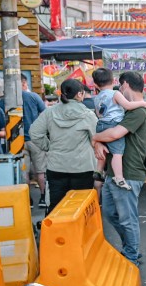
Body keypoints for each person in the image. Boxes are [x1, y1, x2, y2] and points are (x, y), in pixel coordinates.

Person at [92, 71, 146, 265]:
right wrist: (99, 142)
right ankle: (130, 247)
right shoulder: (123, 109)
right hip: (114, 173)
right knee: (110, 213)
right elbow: (106, 132)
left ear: (125, 85)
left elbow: (114, 134)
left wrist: (95, 138)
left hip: (129, 172)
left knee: (127, 218)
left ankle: (131, 254)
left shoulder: (138, 112)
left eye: (120, 86)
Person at [29, 79, 97, 213]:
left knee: (56, 206)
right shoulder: (88, 115)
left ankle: (57, 233)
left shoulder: (49, 112)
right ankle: (78, 233)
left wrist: (49, 146)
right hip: (83, 167)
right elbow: (95, 139)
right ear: (79, 94)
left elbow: (34, 133)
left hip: (56, 167)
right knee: (81, 207)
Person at [92, 67, 146, 191]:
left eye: (121, 85)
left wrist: (96, 138)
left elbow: (100, 116)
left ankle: (98, 171)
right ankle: (119, 177)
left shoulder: (97, 98)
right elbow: (115, 133)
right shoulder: (116, 95)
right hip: (111, 125)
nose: (120, 88)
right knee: (117, 153)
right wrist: (144, 103)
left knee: (104, 149)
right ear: (113, 80)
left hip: (101, 124)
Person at [17, 74, 48, 207]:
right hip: (35, 139)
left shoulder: (6, 100)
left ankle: (27, 199)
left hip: (17, 142)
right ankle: (43, 198)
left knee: (23, 172)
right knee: (40, 170)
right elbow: (45, 113)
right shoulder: (34, 97)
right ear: (24, 83)